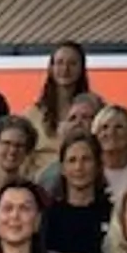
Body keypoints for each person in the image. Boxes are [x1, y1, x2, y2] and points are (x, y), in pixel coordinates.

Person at [39, 130, 113, 253]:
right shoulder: (49, 215)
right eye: (72, 160)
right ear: (62, 168)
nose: (79, 167)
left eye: (86, 159)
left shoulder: (113, 214)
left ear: (98, 166)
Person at [28, 42, 90, 172]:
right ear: (51, 68)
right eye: (60, 63)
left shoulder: (92, 110)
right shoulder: (33, 115)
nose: (65, 69)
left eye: (72, 63)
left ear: (81, 69)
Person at [0, 115, 37, 190]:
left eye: (19, 145)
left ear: (27, 151)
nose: (12, 150)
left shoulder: (36, 194)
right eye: (6, 143)